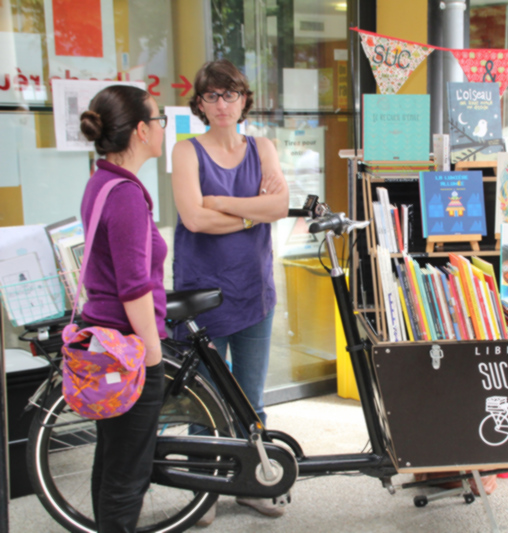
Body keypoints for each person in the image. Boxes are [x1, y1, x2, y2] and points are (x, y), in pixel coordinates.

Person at [171, 59, 289, 523]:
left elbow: (280, 206)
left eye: (231, 94)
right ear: (200, 103)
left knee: (250, 396)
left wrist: (220, 201)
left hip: (253, 288)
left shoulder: (263, 147)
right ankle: (203, 491)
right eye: (213, 96)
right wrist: (250, 211)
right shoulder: (186, 152)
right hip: (202, 292)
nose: (223, 104)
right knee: (203, 397)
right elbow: (193, 219)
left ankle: (250, 483)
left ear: (245, 100)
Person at [78, 85, 167, 531]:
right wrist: (151, 358)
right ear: (140, 130)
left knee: (111, 461)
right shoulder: (127, 197)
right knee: (129, 475)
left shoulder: (102, 181)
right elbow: (134, 289)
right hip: (127, 347)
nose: (163, 127)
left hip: (103, 341)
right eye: (159, 119)